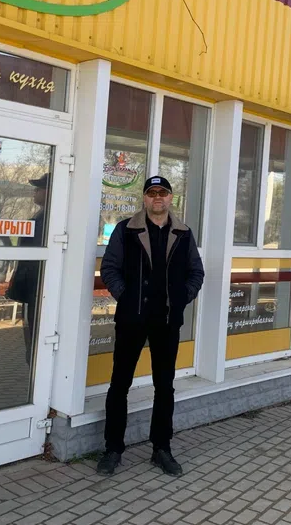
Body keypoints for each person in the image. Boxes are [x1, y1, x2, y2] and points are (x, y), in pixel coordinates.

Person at [96, 176, 205, 477]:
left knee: (164, 387)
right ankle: (113, 449)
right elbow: (109, 268)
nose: (158, 197)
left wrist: (181, 298)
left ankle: (161, 449)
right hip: (131, 319)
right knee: (120, 384)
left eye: (163, 192)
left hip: (166, 321)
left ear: (171, 198)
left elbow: (196, 272)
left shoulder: (183, 233)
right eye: (152, 192)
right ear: (144, 198)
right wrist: (125, 296)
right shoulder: (125, 230)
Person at [6, 173, 48, 365]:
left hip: (38, 287)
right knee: (31, 332)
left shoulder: (49, 219)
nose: (35, 191)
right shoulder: (40, 216)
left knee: (36, 333)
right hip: (32, 288)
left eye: (39, 188)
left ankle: (37, 367)